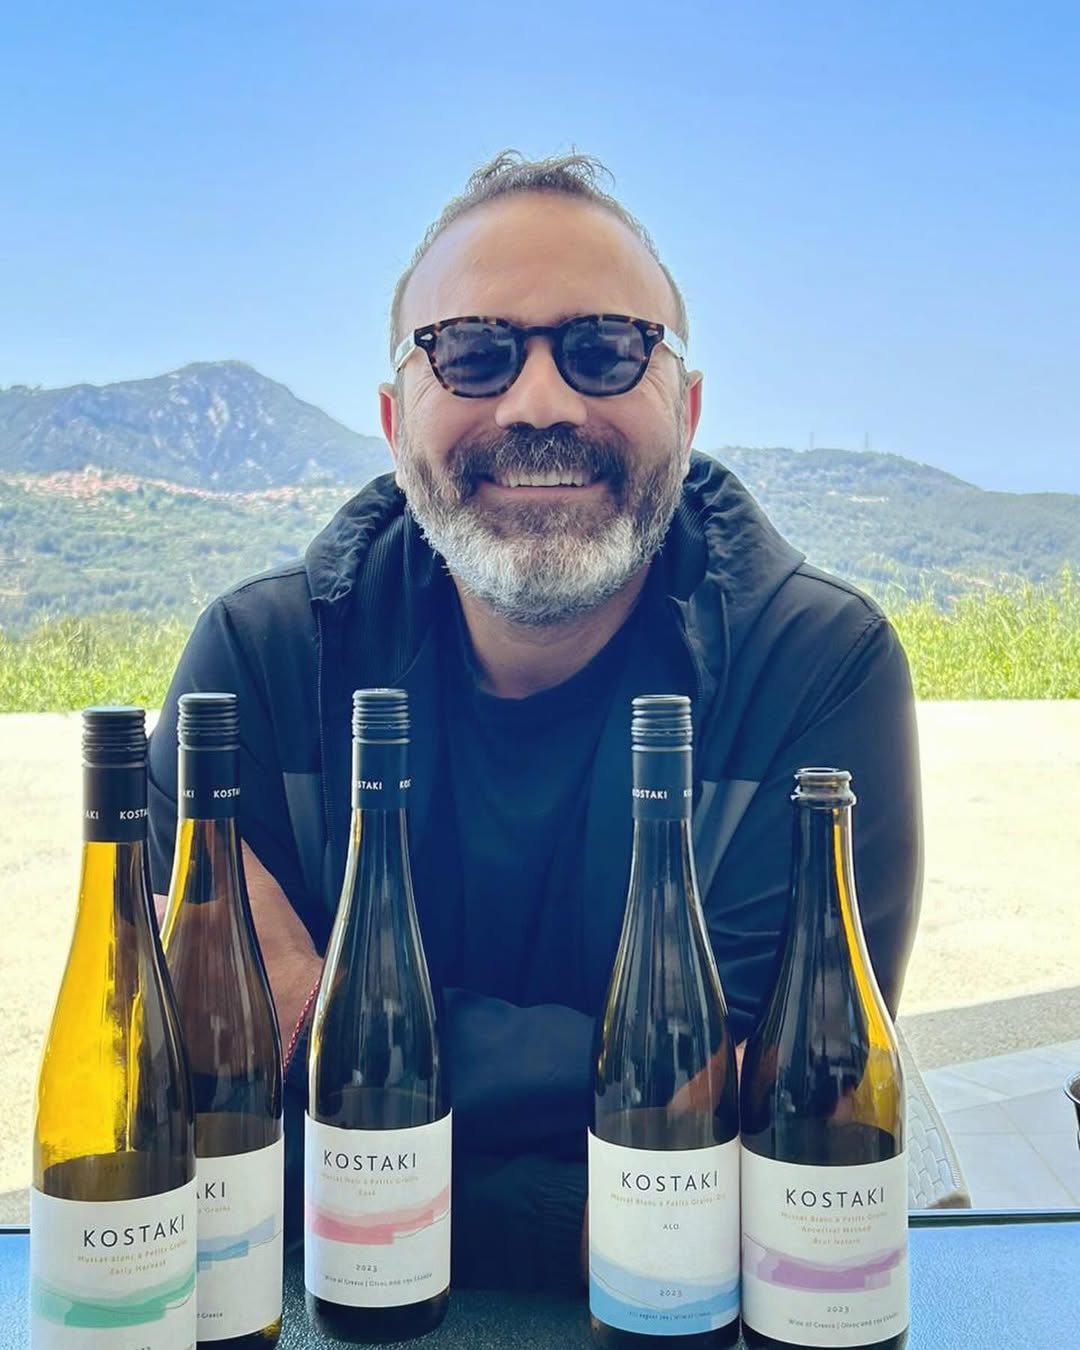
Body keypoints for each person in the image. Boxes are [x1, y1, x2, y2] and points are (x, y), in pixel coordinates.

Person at [147, 150, 923, 1292]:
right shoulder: (256, 672)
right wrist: (627, 1137)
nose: (542, 402)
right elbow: (198, 1123)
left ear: (687, 410)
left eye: (608, 350)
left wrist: (325, 1035)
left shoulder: (815, 670)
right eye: (473, 353)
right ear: (394, 419)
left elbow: (777, 1136)